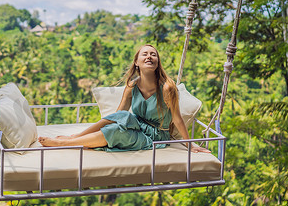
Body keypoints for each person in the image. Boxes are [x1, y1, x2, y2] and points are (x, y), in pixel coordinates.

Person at [38, 44, 211, 153]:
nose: (149, 56)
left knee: (116, 132)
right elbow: (119, 114)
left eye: (153, 54)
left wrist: (191, 145)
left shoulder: (167, 88)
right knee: (122, 117)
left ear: (157, 62)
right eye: (145, 54)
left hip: (156, 135)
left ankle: (68, 144)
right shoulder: (132, 85)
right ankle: (75, 137)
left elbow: (177, 119)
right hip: (137, 123)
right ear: (137, 62)